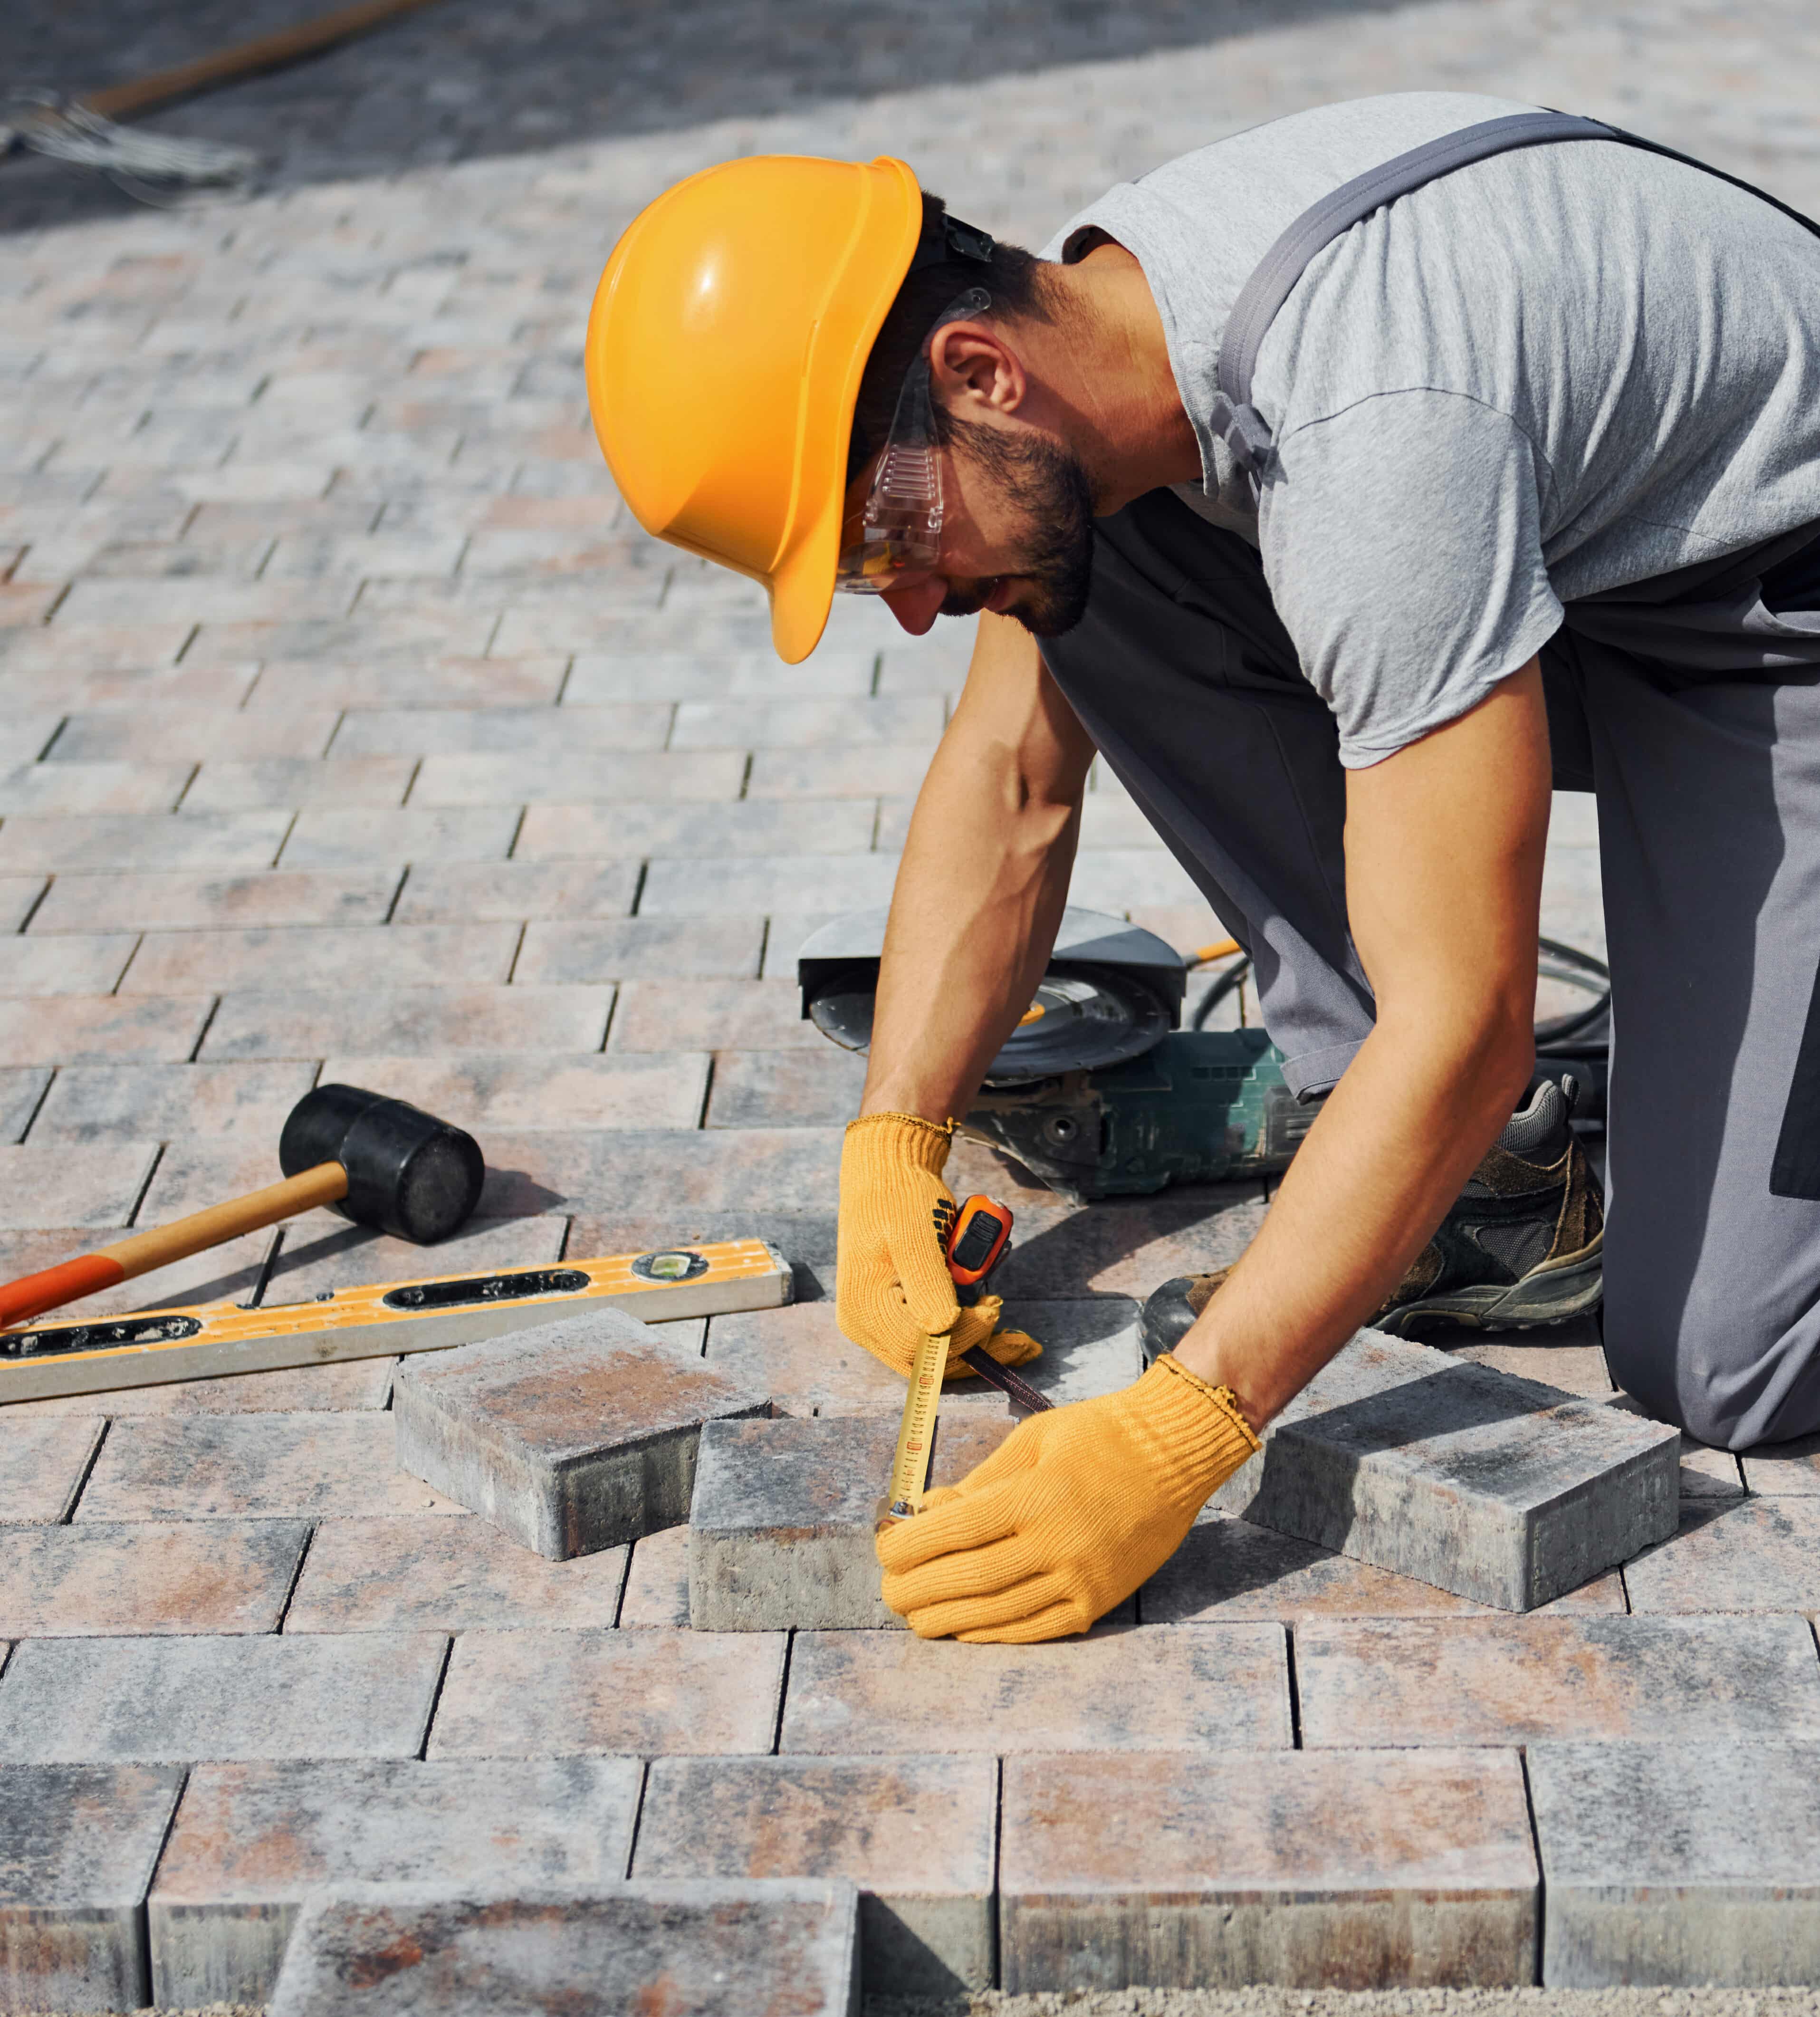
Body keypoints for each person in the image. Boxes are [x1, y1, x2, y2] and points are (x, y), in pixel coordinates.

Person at [584, 91, 1820, 1644]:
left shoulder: (1371, 428)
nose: (906, 606)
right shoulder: (1107, 343)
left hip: (1777, 611)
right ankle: (1470, 1177)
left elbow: (1473, 1010)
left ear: (976, 370)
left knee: (1731, 1362)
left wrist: (1184, 1428)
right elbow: (1012, 776)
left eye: (888, 537)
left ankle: (1461, 1126)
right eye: (861, 573)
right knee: (1086, 573)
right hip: (1583, 542)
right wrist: (895, 1140)